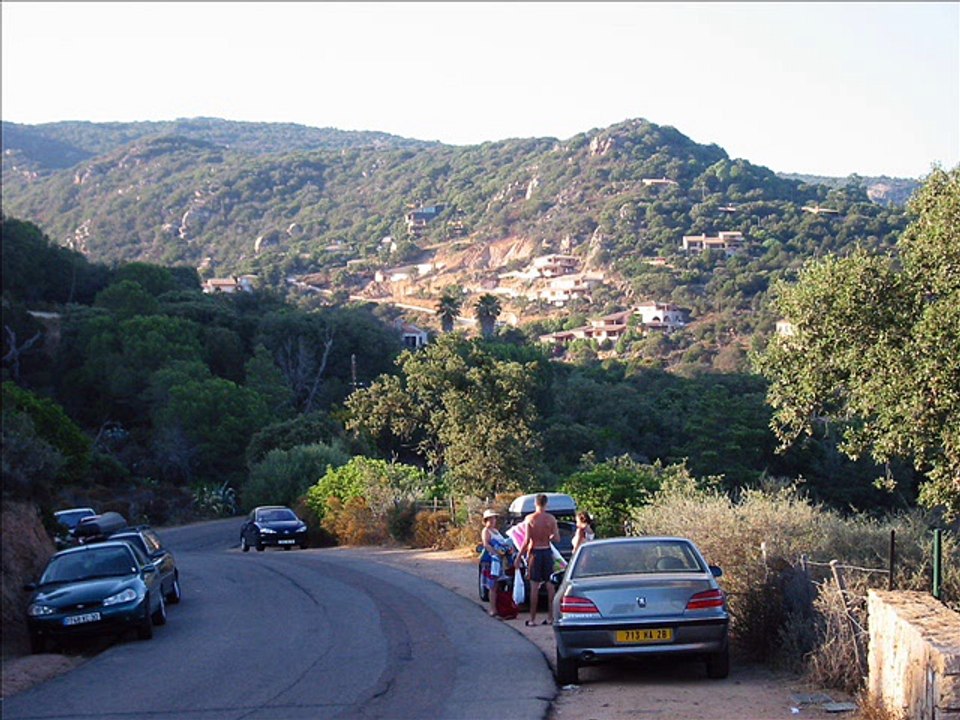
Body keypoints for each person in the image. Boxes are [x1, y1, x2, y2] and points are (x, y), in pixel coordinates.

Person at [515, 493, 559, 626]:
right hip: (547, 551)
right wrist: (549, 536)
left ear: (535, 503)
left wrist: (519, 556)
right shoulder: (551, 519)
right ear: (546, 504)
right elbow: (557, 538)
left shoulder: (530, 519)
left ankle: (533, 619)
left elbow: (527, 540)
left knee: (534, 587)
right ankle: (551, 617)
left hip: (535, 552)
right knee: (550, 586)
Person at [480, 509, 508, 617]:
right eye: (490, 519)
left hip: (499, 560)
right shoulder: (486, 531)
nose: (493, 520)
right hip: (491, 561)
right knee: (492, 585)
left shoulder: (496, 531)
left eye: (494, 518)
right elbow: (486, 544)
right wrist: (495, 553)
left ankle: (498, 607)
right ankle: (493, 609)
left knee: (497, 585)